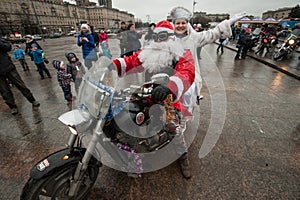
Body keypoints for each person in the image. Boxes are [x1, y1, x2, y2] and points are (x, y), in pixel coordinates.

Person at [111, 20, 195, 179]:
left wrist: (170, 87)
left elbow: (187, 72)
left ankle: (182, 156)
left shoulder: (181, 53)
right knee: (125, 115)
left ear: (171, 37)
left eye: (161, 36)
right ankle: (132, 153)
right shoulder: (148, 52)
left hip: (169, 98)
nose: (158, 40)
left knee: (172, 127)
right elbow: (132, 61)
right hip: (146, 94)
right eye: (155, 36)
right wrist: (112, 66)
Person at [169, 6, 246, 102]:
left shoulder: (193, 38)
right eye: (178, 23)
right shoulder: (168, 39)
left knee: (186, 108)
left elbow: (212, 34)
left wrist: (229, 22)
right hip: (170, 80)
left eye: (183, 23)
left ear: (187, 24)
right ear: (174, 24)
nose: (180, 26)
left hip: (189, 81)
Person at [0, 38, 40, 115]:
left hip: (8, 67)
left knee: (20, 85)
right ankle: (12, 106)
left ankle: (32, 100)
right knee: (4, 91)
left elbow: (8, 47)